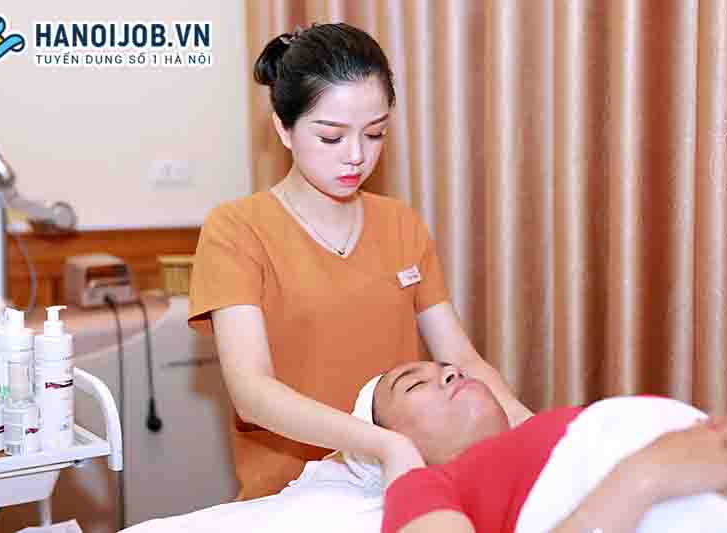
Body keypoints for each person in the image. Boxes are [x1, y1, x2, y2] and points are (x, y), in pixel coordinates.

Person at [188, 22, 532, 500]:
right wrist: (382, 444)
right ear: (283, 128)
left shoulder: (401, 223)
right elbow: (252, 393)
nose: (356, 156)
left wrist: (533, 431)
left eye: (375, 134)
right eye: (331, 137)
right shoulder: (237, 230)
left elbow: (462, 358)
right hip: (290, 497)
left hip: (400, 486)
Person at [373, 361, 727, 533]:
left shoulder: (551, 428)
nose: (451, 372)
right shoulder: (420, 485)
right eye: (413, 384)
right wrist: (643, 478)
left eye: (450, 367)